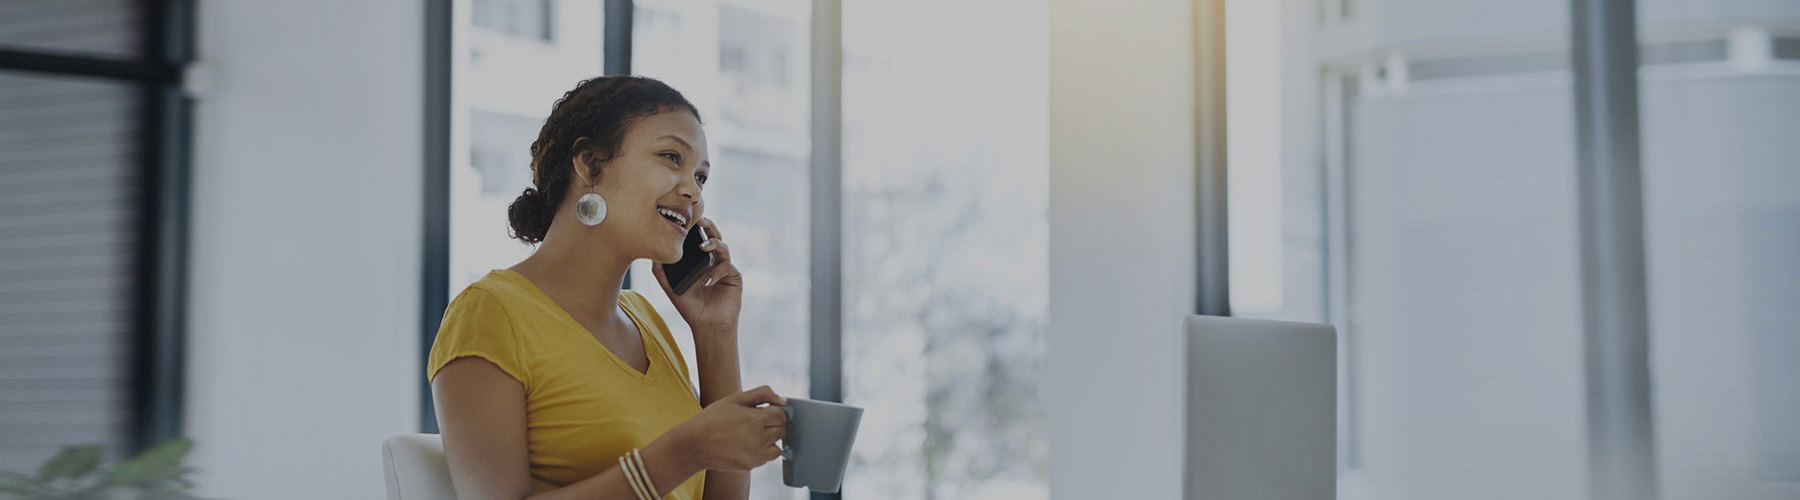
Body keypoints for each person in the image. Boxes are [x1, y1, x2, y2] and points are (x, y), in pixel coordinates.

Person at [428, 75, 787, 500]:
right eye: (671, 157)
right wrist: (684, 451)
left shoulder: (646, 322)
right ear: (590, 165)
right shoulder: (491, 312)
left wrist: (715, 333)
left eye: (702, 177)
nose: (692, 191)